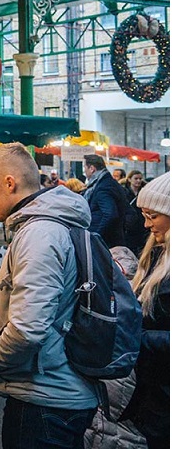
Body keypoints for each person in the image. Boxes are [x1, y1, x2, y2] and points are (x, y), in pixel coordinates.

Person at [0, 143, 98, 448]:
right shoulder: (47, 226)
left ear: (9, 183)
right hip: (57, 391)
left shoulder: (39, 235)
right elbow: (51, 305)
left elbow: (27, 331)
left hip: (47, 401)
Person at [120, 171, 169, 448]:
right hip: (154, 388)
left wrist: (141, 339)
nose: (146, 224)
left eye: (152, 215)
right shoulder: (157, 253)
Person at [81, 154, 130, 249]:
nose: (84, 171)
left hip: (106, 241)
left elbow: (110, 214)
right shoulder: (108, 182)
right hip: (112, 238)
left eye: (85, 167)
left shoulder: (103, 186)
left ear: (92, 168)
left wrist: (97, 235)